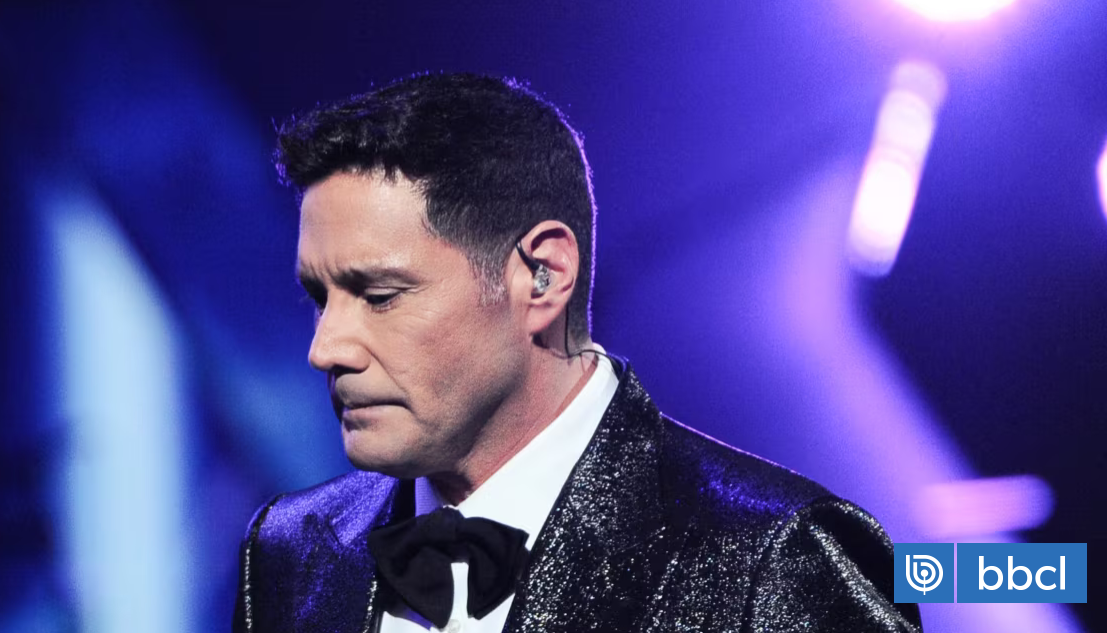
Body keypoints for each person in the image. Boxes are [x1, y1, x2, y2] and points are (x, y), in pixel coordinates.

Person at [233, 72, 922, 633]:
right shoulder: (289, 549)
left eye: (380, 296)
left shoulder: (777, 558)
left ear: (543, 277)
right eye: (319, 298)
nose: (325, 349)